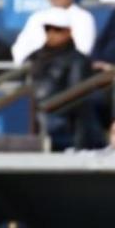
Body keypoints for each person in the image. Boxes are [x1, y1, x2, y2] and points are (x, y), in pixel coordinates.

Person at [28, 8, 98, 151]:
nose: (51, 34)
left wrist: (44, 107)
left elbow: (75, 96)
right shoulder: (35, 56)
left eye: (57, 30)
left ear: (68, 31)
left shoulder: (77, 60)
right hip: (30, 110)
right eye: (48, 29)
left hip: (58, 115)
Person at [11, 0, 96, 64]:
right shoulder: (37, 17)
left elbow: (83, 49)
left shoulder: (83, 18)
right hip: (35, 69)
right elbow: (19, 48)